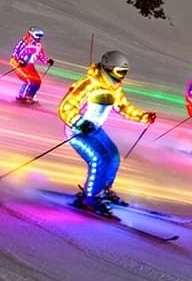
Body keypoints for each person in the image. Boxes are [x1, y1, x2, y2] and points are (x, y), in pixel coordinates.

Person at [57, 51, 156, 217]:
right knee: (99, 159)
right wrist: (78, 122)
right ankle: (90, 198)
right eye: (119, 72)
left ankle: (103, 190)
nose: (122, 77)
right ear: (108, 68)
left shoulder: (114, 88)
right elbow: (66, 107)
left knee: (113, 156)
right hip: (77, 131)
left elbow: (123, 107)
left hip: (95, 129)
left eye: (124, 72)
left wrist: (143, 116)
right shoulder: (88, 84)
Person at [10, 27, 54, 103]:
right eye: (37, 35)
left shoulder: (38, 45)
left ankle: (30, 96)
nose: (39, 37)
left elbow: (41, 55)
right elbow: (16, 52)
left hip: (29, 65)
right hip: (19, 64)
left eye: (41, 35)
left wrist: (47, 61)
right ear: (31, 34)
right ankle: (22, 96)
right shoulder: (24, 42)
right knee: (30, 80)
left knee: (37, 81)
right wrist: (20, 61)